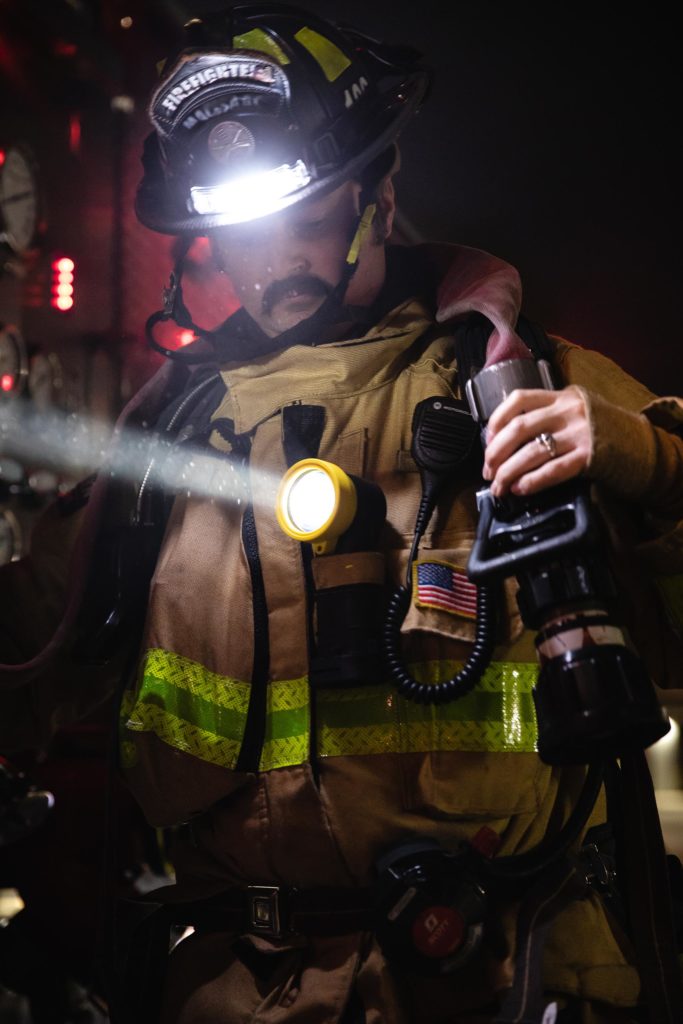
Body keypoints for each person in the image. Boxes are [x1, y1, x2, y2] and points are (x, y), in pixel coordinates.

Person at [1, 4, 683, 1023]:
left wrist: (641, 458)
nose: (268, 257)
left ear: (378, 192)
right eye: (237, 230)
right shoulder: (168, 444)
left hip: (501, 977)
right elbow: (25, 648)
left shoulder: (515, 384)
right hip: (239, 991)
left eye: (301, 215)